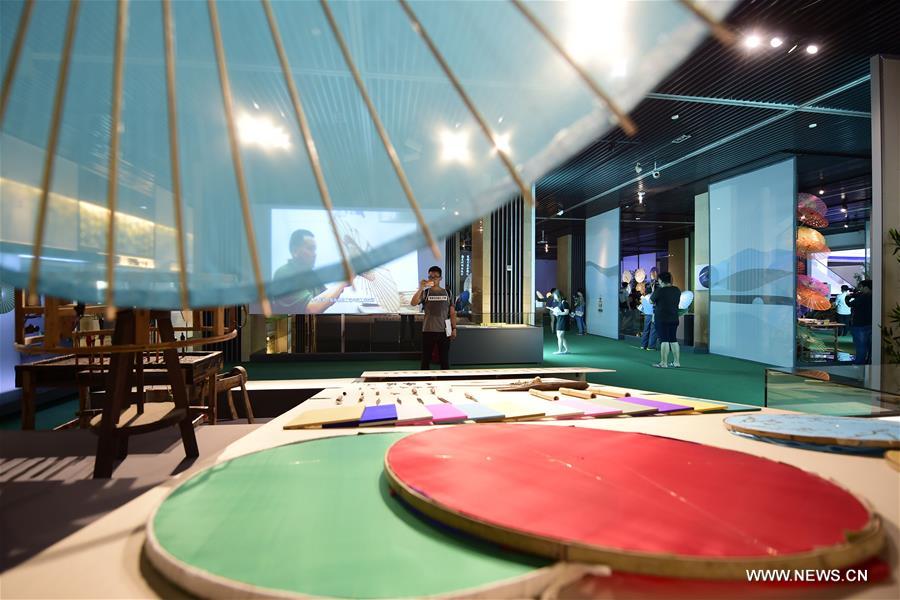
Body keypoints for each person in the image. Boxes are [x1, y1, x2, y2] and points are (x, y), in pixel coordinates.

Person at [272, 229, 350, 314]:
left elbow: (327, 299)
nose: (314, 254)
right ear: (295, 251)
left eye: (314, 249)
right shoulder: (284, 274)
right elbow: (311, 309)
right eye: (310, 249)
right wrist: (342, 283)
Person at [410, 265, 457, 369]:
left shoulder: (448, 293)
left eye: (436, 276)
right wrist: (421, 288)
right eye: (431, 277)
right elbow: (413, 303)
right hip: (428, 330)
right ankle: (424, 381)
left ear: (440, 278)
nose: (433, 279)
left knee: (444, 360)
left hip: (445, 331)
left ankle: (445, 381)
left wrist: (454, 328)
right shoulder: (425, 292)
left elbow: (452, 312)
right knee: (425, 359)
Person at [650, 272, 681, 368]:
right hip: (674, 318)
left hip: (662, 318)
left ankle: (664, 363)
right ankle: (676, 362)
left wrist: (653, 291)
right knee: (673, 340)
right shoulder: (677, 290)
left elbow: (651, 301)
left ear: (661, 280)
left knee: (664, 340)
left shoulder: (660, 290)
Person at [846, 279, 872, 365]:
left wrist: (848, 297)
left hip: (860, 324)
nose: (860, 289)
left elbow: (850, 304)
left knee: (860, 345)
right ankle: (867, 362)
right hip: (869, 323)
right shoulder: (873, 296)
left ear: (866, 287)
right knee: (868, 345)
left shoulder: (864, 296)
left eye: (861, 287)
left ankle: (859, 364)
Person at [550, 289, 570, 354]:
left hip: (563, 321)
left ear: (558, 295)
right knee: (560, 336)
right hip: (560, 320)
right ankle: (566, 350)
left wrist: (558, 313)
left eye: (555, 295)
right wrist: (555, 311)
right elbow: (560, 311)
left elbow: (566, 312)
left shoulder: (564, 302)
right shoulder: (559, 302)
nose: (554, 297)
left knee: (560, 336)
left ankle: (560, 351)